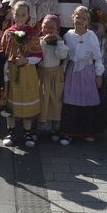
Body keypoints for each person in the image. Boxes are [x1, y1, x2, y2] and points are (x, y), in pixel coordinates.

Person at [59, 6, 104, 144]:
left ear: (88, 22)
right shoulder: (68, 35)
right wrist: (62, 71)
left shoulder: (91, 36)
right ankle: (68, 132)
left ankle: (87, 132)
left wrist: (99, 74)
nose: (80, 20)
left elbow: (98, 57)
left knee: (87, 99)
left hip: (87, 72)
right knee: (71, 99)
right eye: (78, 17)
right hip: (72, 72)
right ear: (73, 17)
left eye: (84, 19)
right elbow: (65, 57)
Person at [1, 1, 41, 148]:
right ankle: (11, 131)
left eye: (23, 14)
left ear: (28, 16)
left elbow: (38, 55)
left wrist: (26, 60)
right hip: (11, 72)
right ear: (13, 14)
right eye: (17, 14)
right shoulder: (8, 33)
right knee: (10, 103)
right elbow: (3, 53)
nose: (20, 17)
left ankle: (27, 132)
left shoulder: (33, 34)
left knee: (26, 103)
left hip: (27, 72)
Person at [38, 13, 69, 141]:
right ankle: (41, 127)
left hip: (55, 75)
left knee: (55, 101)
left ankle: (55, 128)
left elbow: (62, 56)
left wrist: (59, 41)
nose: (48, 31)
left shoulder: (60, 43)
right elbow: (39, 55)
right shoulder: (39, 42)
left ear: (57, 30)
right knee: (42, 100)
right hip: (42, 74)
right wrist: (44, 42)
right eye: (46, 27)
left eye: (52, 28)